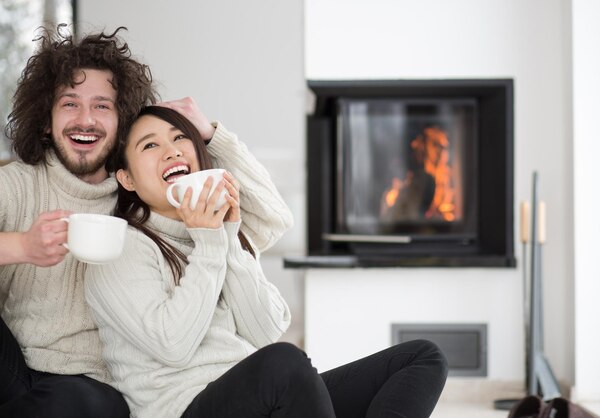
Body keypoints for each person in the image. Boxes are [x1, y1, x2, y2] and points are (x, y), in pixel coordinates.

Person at [0, 26, 293, 417]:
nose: (85, 119)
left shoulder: (143, 193)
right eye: (69, 104)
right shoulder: (17, 185)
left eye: (102, 106)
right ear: (45, 120)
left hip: (101, 384)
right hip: (15, 366)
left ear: (122, 122)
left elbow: (270, 220)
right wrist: (21, 246)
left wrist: (210, 135)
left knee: (85, 405)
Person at [85, 105, 448, 418]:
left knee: (422, 358)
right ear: (127, 179)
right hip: (186, 409)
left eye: (180, 138)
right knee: (284, 363)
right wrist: (210, 242)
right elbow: (173, 345)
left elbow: (265, 330)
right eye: (150, 145)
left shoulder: (217, 231)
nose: (172, 151)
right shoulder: (123, 249)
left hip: (259, 400)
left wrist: (227, 234)